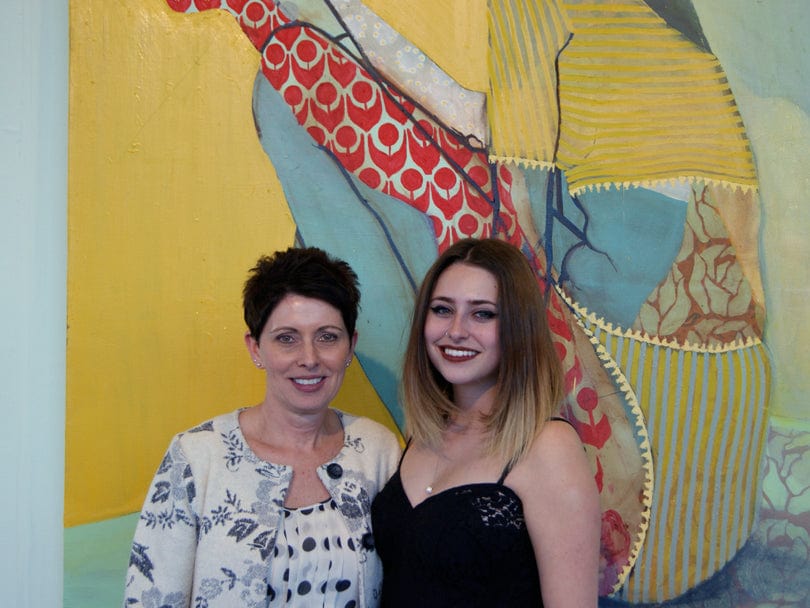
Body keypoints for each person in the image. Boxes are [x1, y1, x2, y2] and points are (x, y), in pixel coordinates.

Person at [123, 247, 401, 608]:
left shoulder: (379, 450)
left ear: (351, 347)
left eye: (327, 336)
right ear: (255, 348)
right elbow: (152, 599)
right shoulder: (196, 457)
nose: (309, 358)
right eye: (286, 338)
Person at [371, 238, 600, 607]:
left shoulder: (548, 445)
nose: (456, 330)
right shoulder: (423, 433)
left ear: (518, 328)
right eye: (442, 309)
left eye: (483, 314)